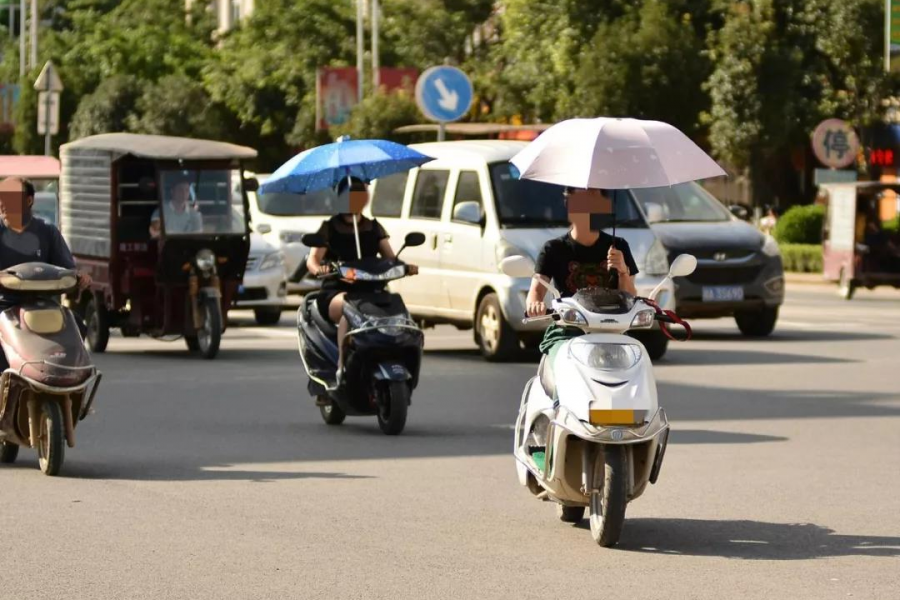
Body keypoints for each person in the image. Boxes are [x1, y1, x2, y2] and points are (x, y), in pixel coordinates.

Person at [306, 177, 419, 382]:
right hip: (337, 293)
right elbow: (313, 259)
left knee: (398, 309)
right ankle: (342, 367)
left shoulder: (373, 227)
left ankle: (397, 356)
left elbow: (390, 258)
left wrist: (405, 267)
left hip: (372, 292)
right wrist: (319, 268)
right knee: (349, 310)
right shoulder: (329, 227)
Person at [525, 187, 638, 361]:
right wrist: (535, 304)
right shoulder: (553, 248)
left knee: (636, 365)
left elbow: (630, 297)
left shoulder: (619, 246)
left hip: (613, 333)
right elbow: (536, 290)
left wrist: (623, 271)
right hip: (567, 332)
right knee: (561, 368)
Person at [0, 177, 91, 367]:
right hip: (5, 306)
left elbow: (68, 270)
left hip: (44, 305)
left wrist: (79, 278)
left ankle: (71, 385)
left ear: (29, 201)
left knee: (78, 325)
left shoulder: (48, 232)